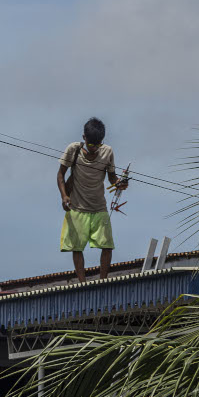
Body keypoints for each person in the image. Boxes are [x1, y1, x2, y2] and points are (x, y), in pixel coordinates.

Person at [57, 117, 127, 282]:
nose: (94, 148)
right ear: (84, 138)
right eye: (91, 144)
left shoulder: (107, 152)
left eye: (98, 145)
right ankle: (83, 283)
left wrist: (119, 183)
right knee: (76, 248)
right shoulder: (73, 150)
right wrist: (64, 196)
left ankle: (102, 281)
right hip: (77, 208)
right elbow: (60, 174)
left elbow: (112, 178)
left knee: (107, 246)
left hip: (99, 208)